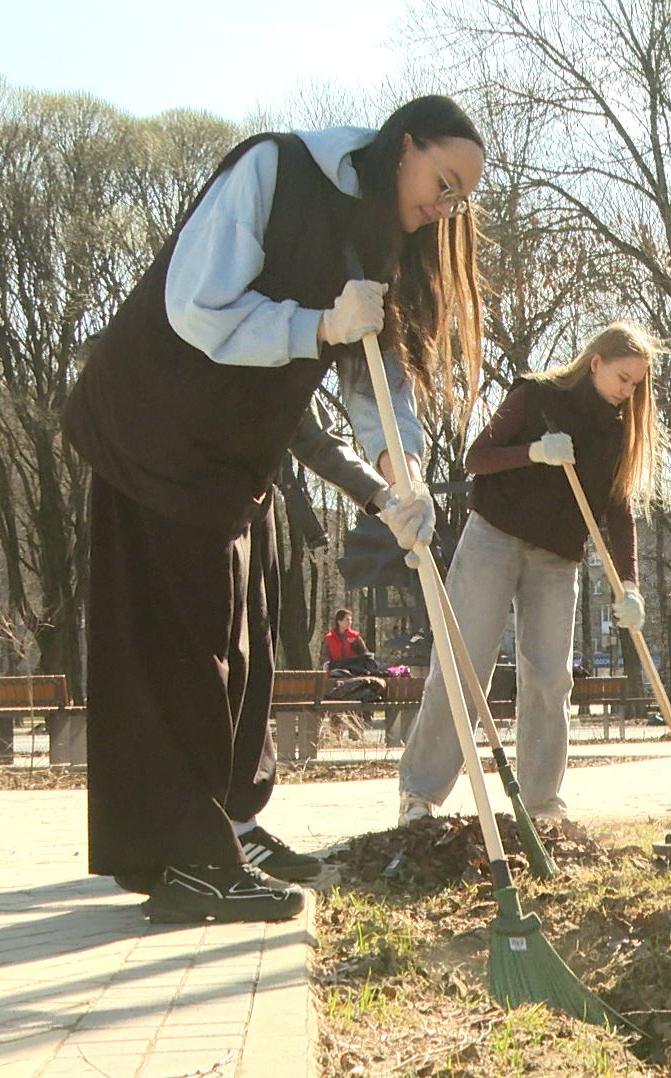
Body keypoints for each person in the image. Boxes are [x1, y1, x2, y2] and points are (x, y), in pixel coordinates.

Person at [59, 96, 483, 922]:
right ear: (404, 146)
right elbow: (197, 307)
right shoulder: (275, 171)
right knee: (179, 649)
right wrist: (316, 323)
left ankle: (233, 828)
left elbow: (375, 373)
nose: (447, 204)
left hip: (231, 458)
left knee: (245, 638)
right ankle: (184, 862)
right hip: (154, 431)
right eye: (445, 179)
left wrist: (403, 477)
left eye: (462, 195)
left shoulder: (380, 242)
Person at [396, 322, 669, 825]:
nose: (629, 392)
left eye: (636, 385)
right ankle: (420, 794)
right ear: (596, 363)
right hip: (493, 538)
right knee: (461, 665)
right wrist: (535, 452)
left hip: (556, 558)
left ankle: (542, 805)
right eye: (624, 379)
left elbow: (618, 510)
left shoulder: (617, 432)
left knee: (549, 678)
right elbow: (476, 458)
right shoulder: (535, 396)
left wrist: (629, 585)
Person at [324, 609, 376, 678]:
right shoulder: (329, 638)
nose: (350, 622)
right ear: (339, 621)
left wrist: (356, 648)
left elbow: (365, 654)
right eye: (347, 620)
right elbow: (324, 656)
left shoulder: (355, 636)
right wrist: (326, 667)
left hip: (353, 671)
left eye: (351, 620)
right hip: (335, 670)